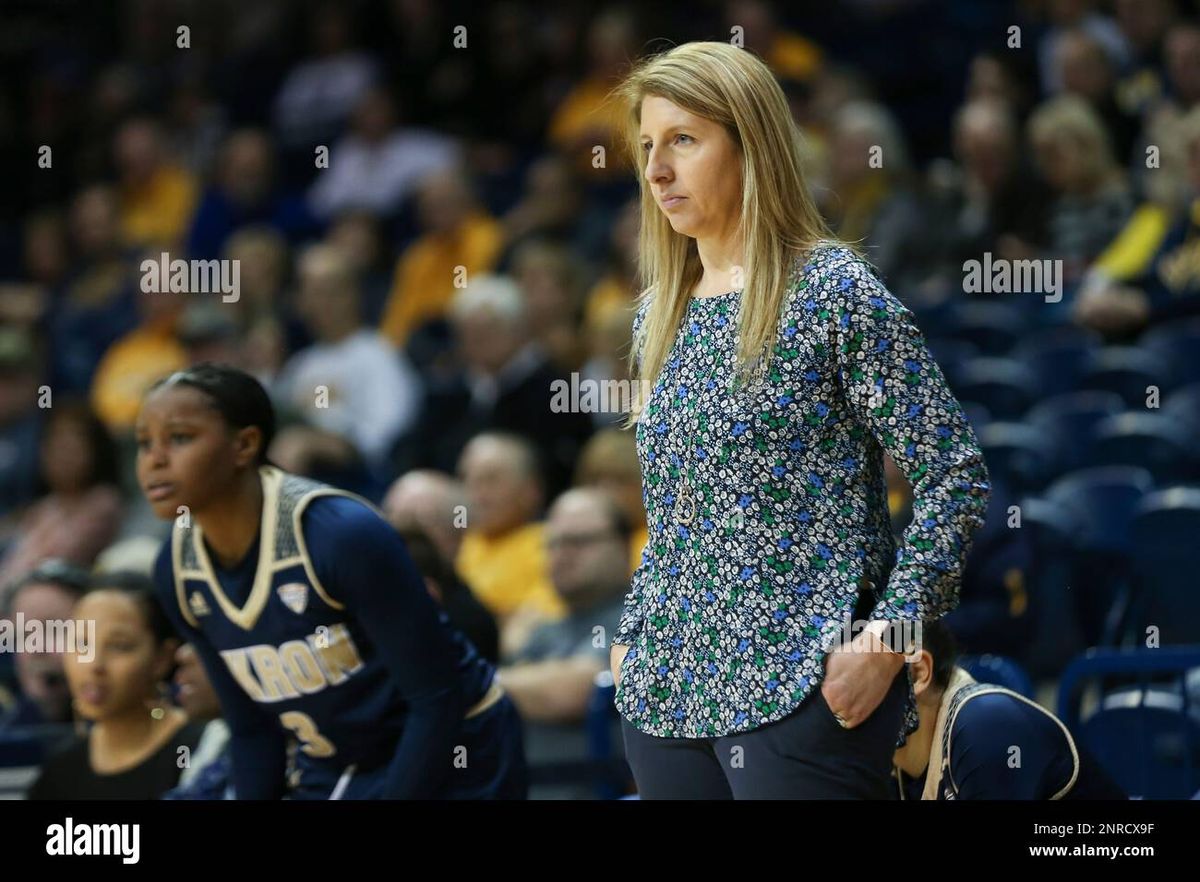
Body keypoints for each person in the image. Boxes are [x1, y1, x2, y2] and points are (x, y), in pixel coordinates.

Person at [608, 42, 990, 799]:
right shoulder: (660, 311)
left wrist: (887, 639)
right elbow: (677, 508)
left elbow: (955, 475)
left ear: (752, 146)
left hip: (804, 681)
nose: (656, 171)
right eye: (648, 147)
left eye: (683, 140)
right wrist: (637, 631)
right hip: (669, 690)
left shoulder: (832, 291)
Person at [135, 363, 526, 799]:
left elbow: (436, 699)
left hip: (457, 750)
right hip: (337, 765)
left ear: (244, 444)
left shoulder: (338, 534)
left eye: (180, 438)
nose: (155, 459)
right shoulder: (175, 571)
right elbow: (251, 729)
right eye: (144, 443)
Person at [892, 621, 1127, 800]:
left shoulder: (984, 725)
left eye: (857, 671)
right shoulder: (885, 762)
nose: (853, 692)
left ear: (917, 672)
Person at [27, 573, 206, 799]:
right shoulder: (61, 769)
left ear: (162, 658)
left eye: (119, 646)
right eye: (81, 643)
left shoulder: (197, 752)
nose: (94, 664)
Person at [499, 488, 631, 724]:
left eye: (578, 541)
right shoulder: (544, 629)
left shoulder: (642, 617)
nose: (561, 555)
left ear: (623, 546)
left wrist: (473, 682)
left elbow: (576, 691)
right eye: (553, 543)